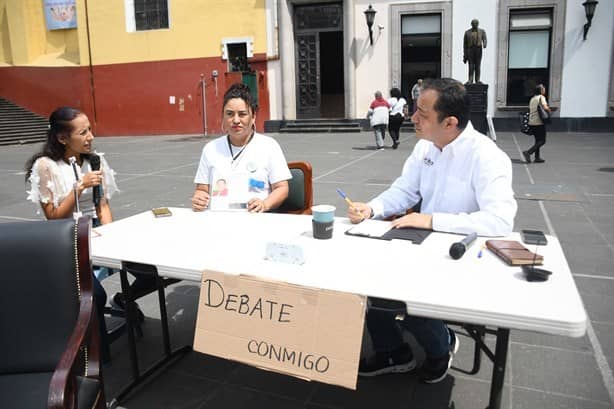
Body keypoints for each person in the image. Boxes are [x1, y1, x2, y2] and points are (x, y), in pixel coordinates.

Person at [347, 78, 517, 383]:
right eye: (415, 109)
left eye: (422, 114)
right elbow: (405, 190)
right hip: (421, 243)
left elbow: (500, 220)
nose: (413, 117)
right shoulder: (426, 146)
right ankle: (393, 351)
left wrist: (432, 220)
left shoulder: (487, 157)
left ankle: (441, 346)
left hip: (460, 254)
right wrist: (371, 208)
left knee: (408, 295)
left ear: (450, 122)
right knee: (367, 277)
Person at [25, 107, 121, 361]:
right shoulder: (45, 167)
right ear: (62, 138)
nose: (90, 136)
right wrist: (78, 187)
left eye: (90, 129)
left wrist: (111, 234)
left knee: (143, 265)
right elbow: (54, 217)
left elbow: (103, 205)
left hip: (97, 234)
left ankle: (126, 303)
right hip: (66, 241)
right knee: (95, 296)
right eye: (83, 132)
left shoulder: (95, 160)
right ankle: (96, 357)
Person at [192, 83, 291, 212]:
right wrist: (199, 198)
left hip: (255, 219)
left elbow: (282, 188)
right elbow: (201, 189)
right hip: (217, 220)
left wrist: (265, 204)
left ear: (253, 116)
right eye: (230, 114)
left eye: (242, 114)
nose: (236, 120)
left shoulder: (269, 146)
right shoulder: (210, 149)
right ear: (223, 116)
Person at [523, 84, 551, 163]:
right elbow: (545, 107)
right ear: (541, 90)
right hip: (539, 122)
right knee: (542, 141)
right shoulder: (541, 98)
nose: (545, 90)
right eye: (543, 89)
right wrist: (549, 110)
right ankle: (528, 152)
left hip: (532, 122)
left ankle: (537, 157)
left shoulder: (532, 98)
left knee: (537, 140)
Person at [463, 19, 487, 84]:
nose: (475, 24)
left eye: (476, 23)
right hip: (470, 50)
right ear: (471, 24)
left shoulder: (482, 31)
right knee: (471, 66)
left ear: (478, 24)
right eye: (473, 23)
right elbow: (465, 45)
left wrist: (484, 44)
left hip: (478, 49)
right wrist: (465, 56)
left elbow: (484, 38)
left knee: (478, 65)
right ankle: (470, 79)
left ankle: (477, 80)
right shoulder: (467, 32)